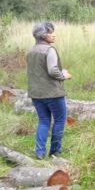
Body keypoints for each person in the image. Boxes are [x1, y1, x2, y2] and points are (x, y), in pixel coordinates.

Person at [26, 21, 72, 159]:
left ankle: (39, 153)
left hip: (36, 93)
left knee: (43, 121)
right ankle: (55, 151)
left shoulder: (31, 51)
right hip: (53, 93)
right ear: (43, 35)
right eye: (51, 32)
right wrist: (63, 75)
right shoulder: (49, 50)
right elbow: (52, 70)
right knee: (59, 120)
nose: (54, 35)